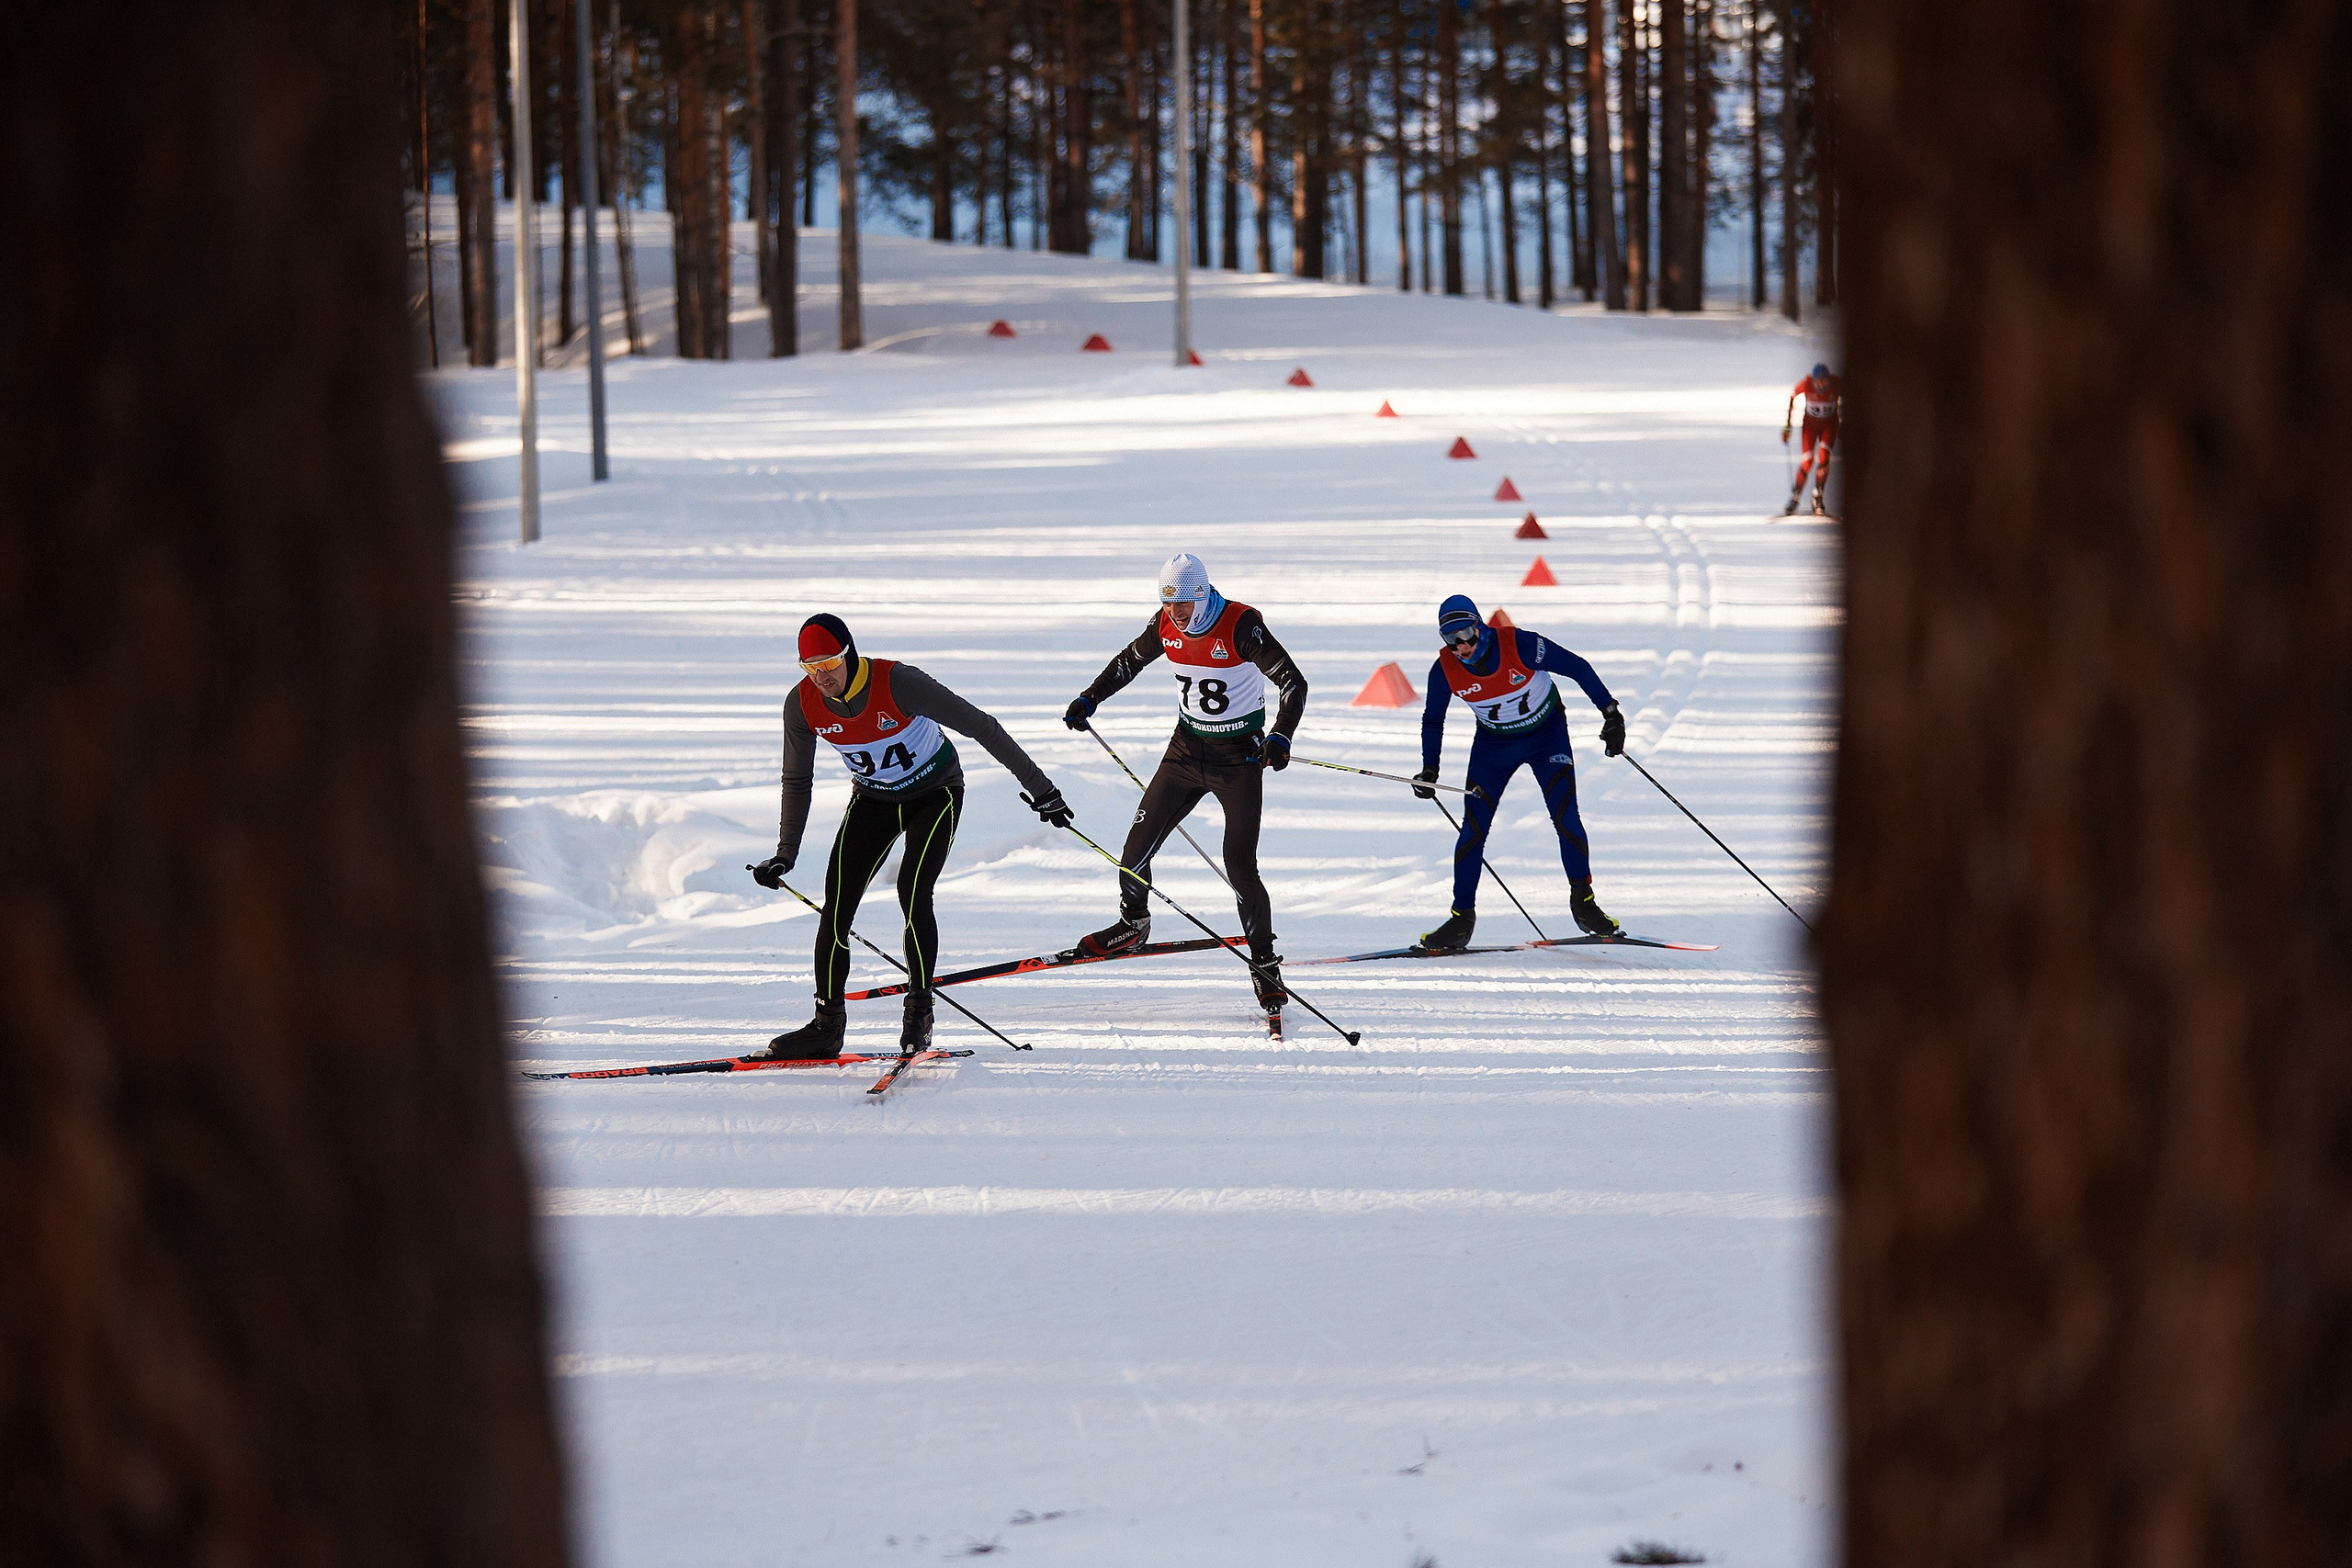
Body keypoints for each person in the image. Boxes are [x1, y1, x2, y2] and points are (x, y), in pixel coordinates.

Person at [749, 614, 1070, 1059]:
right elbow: (797, 779)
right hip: (874, 800)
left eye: (830, 664)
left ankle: (919, 1013)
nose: (821, 677)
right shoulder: (801, 704)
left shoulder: (898, 683)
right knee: (837, 903)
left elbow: (981, 725)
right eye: (811, 668)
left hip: (935, 793)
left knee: (913, 890)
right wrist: (785, 853)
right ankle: (826, 1026)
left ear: (850, 654)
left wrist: (1042, 790)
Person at [1060, 553, 1307, 1021]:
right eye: (1167, 603)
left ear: (1203, 595)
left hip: (1239, 760)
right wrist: (1090, 697)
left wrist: (1281, 735)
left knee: (1240, 865)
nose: (1175, 614)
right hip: (1185, 753)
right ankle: (1133, 923)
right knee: (1134, 852)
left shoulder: (1240, 625)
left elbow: (1293, 682)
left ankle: (1265, 965)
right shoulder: (1165, 624)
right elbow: (1129, 661)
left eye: (1183, 604)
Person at [1413, 595, 1627, 952]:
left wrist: (1611, 713)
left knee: (1565, 816)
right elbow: (1433, 719)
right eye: (1451, 639)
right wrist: (1429, 769)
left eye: (1466, 634)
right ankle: (1461, 919)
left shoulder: (1520, 645)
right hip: (1493, 747)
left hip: (1547, 736)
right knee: (1473, 829)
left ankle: (1584, 905)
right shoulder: (1444, 670)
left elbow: (1577, 667)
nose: (1462, 646)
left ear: (1480, 626)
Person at [1781, 361, 1843, 515]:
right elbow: (1792, 396)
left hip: (1829, 424)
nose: (1821, 386)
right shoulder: (1807, 383)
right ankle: (1795, 496)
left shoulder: (1836, 383)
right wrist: (1788, 425)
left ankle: (1818, 495)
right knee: (1807, 461)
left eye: (1824, 382)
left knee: (1824, 456)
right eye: (1818, 382)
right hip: (1810, 426)